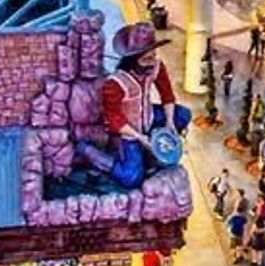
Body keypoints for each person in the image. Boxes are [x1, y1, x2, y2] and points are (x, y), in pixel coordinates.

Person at [77, 23, 191, 189]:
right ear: (132, 60)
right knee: (132, 177)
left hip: (149, 118)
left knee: (183, 114)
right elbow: (114, 118)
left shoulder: (157, 67)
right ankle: (91, 153)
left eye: (153, 56)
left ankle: (154, 148)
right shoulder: (115, 83)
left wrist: (169, 122)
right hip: (128, 131)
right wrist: (140, 138)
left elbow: (167, 94)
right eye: (146, 59)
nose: (152, 63)